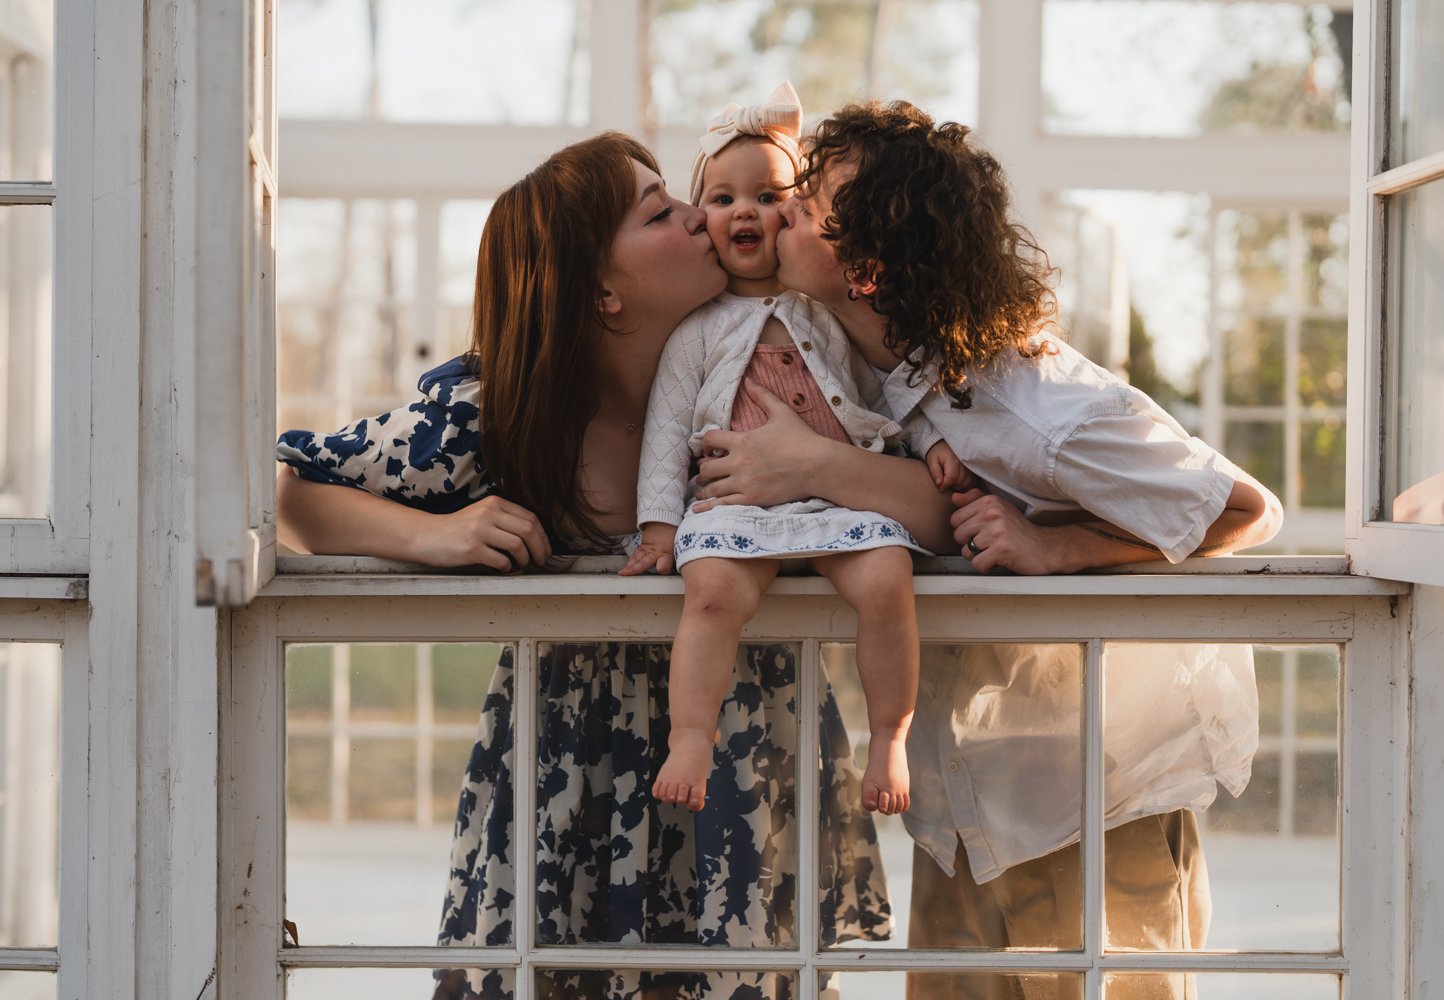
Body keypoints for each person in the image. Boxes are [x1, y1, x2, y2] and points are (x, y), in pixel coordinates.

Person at [275, 131, 956, 1000]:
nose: (701, 216)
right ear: (602, 290)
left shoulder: (799, 354)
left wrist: (816, 467)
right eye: (660, 212)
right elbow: (292, 494)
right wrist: (431, 536)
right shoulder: (505, 413)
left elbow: (944, 516)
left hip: (750, 766)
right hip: (576, 775)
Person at [689, 101, 1284, 1000]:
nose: (779, 216)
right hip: (963, 810)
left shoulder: (1032, 401)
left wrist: (1060, 547)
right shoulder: (862, 371)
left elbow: (1241, 507)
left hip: (1092, 806)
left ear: (867, 270)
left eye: (806, 208)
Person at [623, 83, 962, 818]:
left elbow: (891, 391)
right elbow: (667, 426)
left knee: (887, 582)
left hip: (840, 504)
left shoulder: (828, 309)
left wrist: (933, 441)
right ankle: (691, 735)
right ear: (701, 218)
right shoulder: (696, 330)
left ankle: (889, 736)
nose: (743, 211)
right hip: (735, 506)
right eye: (721, 199)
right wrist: (658, 526)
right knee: (712, 595)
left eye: (769, 196)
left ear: (802, 212)